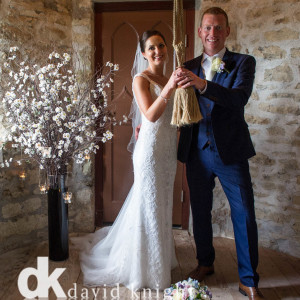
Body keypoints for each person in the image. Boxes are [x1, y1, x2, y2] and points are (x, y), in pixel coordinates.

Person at [72, 30, 181, 291]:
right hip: (150, 152)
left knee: (162, 203)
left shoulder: (167, 77)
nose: (158, 51)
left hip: (167, 150)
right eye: (152, 48)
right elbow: (151, 115)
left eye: (161, 45)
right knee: (149, 204)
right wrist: (169, 88)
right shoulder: (140, 79)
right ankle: (146, 270)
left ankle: (161, 259)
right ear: (143, 53)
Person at [176, 7, 264, 300]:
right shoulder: (186, 64)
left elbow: (238, 99)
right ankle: (205, 263)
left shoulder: (243, 63)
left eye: (218, 28)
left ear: (227, 31)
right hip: (196, 151)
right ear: (200, 32)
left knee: (245, 214)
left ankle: (248, 279)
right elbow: (176, 106)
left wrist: (202, 84)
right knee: (200, 211)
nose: (212, 33)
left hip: (231, 153)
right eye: (207, 28)